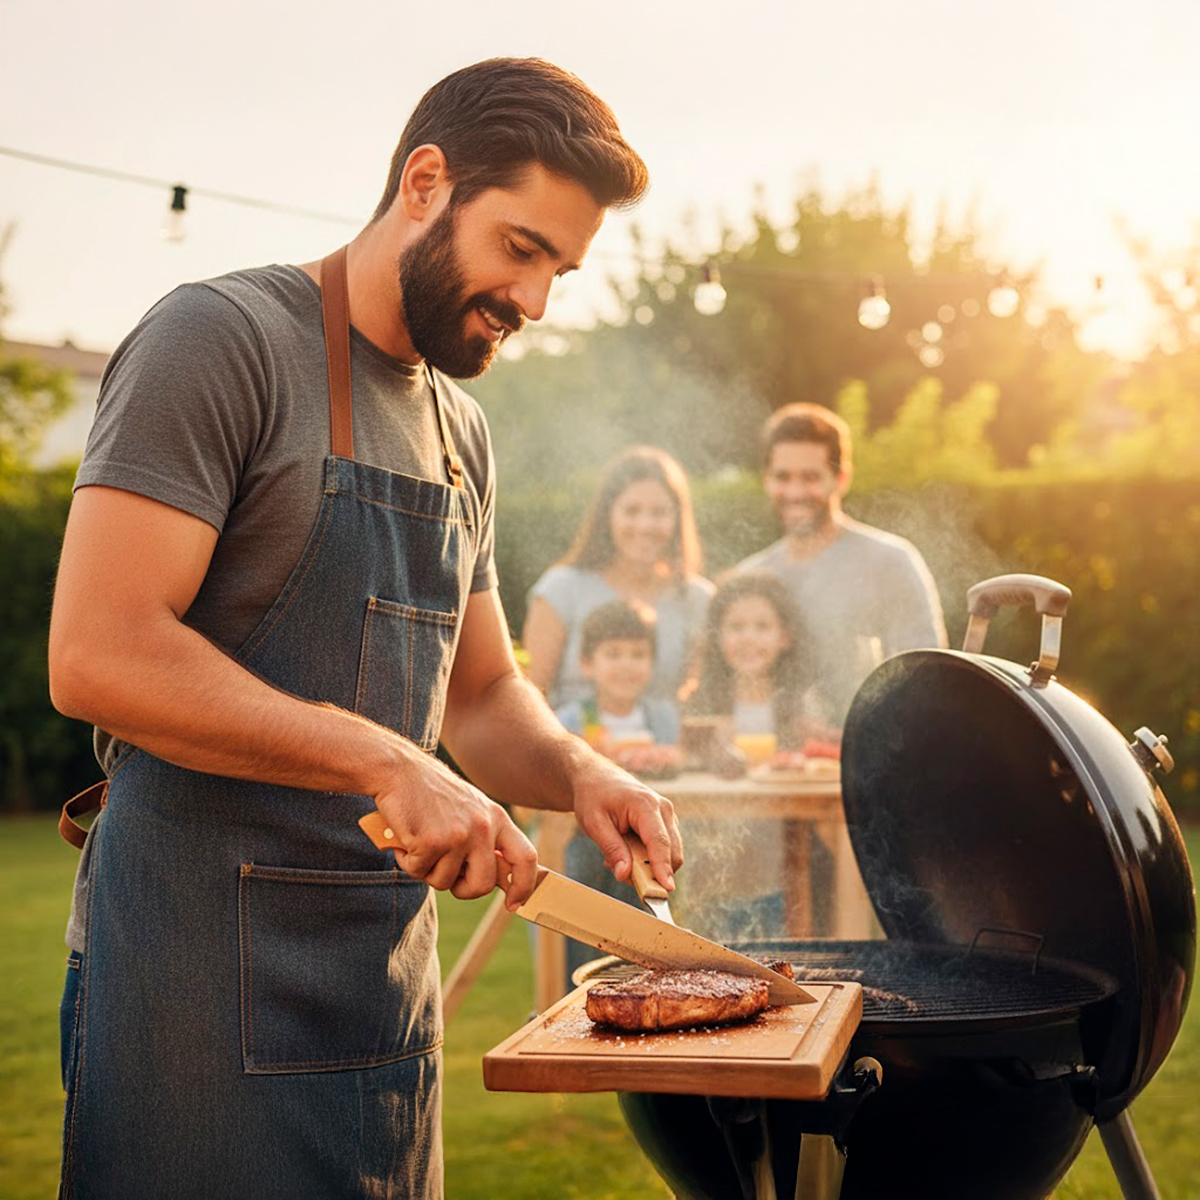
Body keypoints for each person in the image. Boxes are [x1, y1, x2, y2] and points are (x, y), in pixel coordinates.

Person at [47, 58, 682, 1200]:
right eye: (522, 250)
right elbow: (99, 652)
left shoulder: (460, 429)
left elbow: (481, 698)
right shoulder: (221, 340)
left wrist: (581, 770)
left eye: (562, 272)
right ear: (427, 181)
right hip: (187, 983)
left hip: (379, 992)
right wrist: (383, 756)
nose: (534, 303)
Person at [733, 402, 947, 722]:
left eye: (810, 477)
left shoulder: (890, 562)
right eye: (783, 477)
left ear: (841, 478)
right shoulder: (751, 575)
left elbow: (928, 681)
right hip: (771, 764)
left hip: (871, 758)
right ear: (766, 479)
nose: (795, 491)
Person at [523, 445, 714, 711]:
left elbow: (703, 700)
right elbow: (532, 698)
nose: (645, 526)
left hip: (662, 748)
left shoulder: (698, 599)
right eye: (632, 511)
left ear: (677, 519)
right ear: (608, 515)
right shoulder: (562, 589)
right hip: (571, 744)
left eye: (659, 513)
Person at [554, 600, 680, 984]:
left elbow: (677, 757)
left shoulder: (661, 715)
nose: (626, 664)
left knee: (643, 926)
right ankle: (577, 988)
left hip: (645, 840)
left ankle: (643, 985)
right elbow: (562, 768)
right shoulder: (573, 718)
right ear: (587, 663)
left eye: (638, 654)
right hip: (586, 842)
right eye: (614, 654)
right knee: (583, 921)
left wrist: (664, 756)